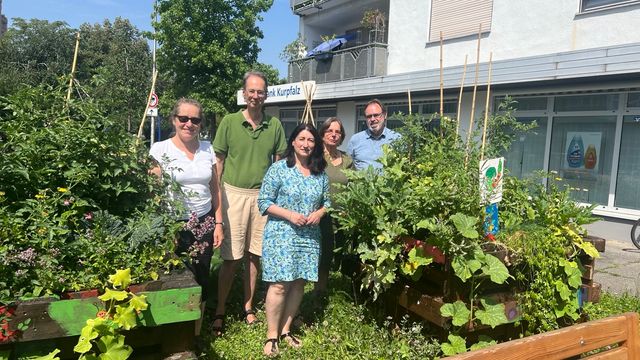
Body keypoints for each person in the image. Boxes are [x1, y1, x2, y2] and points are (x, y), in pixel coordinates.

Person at [212, 71, 287, 335]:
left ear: (266, 95)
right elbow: (218, 162)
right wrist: (217, 199)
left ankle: (248, 307)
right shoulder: (230, 122)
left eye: (261, 92)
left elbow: (278, 164)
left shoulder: (274, 125)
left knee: (255, 256)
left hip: (262, 197)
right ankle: (220, 309)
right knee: (231, 258)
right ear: (244, 93)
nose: (256, 96)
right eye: (251, 91)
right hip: (233, 193)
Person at [149, 98, 224, 328]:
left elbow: (214, 187)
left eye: (195, 120)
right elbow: (153, 193)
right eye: (184, 118)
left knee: (202, 274)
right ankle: (174, 327)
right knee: (173, 276)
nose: (189, 124)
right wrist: (162, 227)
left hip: (204, 221)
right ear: (174, 120)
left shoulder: (207, 148)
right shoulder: (160, 149)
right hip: (173, 223)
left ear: (200, 123)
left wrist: (218, 223)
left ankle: (196, 329)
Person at [257, 123, 329, 356]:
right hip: (281, 235)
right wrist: (290, 215)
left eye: (311, 140)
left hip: (309, 236)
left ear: (316, 144)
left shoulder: (320, 173)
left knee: (299, 282)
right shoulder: (279, 169)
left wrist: (320, 212)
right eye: (302, 139)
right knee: (279, 284)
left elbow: (328, 202)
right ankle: (271, 335)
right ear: (293, 142)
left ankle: (286, 330)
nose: (306, 144)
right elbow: (264, 202)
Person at [315, 117, 353, 297]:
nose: (333, 134)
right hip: (320, 214)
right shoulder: (315, 158)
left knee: (336, 251)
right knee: (322, 252)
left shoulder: (347, 160)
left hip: (342, 214)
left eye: (337, 132)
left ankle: (336, 289)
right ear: (322, 134)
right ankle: (318, 290)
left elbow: (354, 186)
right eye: (329, 131)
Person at [347, 99, 400, 170]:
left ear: (385, 115)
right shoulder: (355, 140)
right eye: (369, 116)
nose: (372, 119)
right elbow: (347, 167)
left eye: (376, 115)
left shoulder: (397, 139)